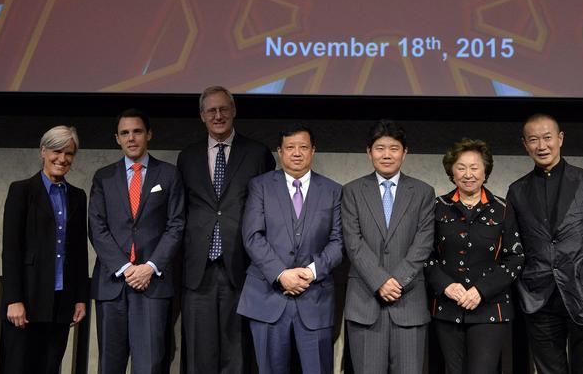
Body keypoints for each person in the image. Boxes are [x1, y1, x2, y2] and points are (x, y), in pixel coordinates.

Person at [506, 114, 583, 374]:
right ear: (525, 144)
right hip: (539, 296)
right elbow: (515, 246)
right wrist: (524, 285)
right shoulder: (517, 190)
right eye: (533, 140)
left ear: (560, 138)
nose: (541, 146)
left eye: (547, 138)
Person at [177, 86, 276, 373]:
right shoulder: (188, 156)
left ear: (233, 111)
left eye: (223, 109)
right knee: (199, 355)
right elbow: (180, 211)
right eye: (211, 110)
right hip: (199, 271)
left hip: (243, 269)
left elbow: (268, 212)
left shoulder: (257, 153)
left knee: (239, 355)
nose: (218, 115)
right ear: (202, 116)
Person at [237, 124, 344, 374]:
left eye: (303, 147)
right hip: (267, 298)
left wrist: (311, 272)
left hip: (315, 298)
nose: (297, 153)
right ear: (280, 151)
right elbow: (252, 236)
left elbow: (338, 241)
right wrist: (281, 274)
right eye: (290, 147)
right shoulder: (260, 186)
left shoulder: (333, 191)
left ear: (313, 151)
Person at [88, 108, 185, 373]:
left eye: (137, 131)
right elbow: (97, 228)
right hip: (113, 283)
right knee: (110, 364)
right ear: (117, 138)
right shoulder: (103, 177)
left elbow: (176, 225)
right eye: (125, 133)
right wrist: (126, 268)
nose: (131, 138)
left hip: (152, 283)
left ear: (149, 135)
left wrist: (149, 267)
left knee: (150, 364)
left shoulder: (169, 175)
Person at [342, 119, 436, 374]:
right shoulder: (351, 191)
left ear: (405, 153)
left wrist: (397, 281)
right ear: (369, 152)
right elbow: (353, 241)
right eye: (380, 148)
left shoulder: (423, 192)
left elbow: (424, 241)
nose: (386, 154)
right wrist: (380, 280)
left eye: (394, 148)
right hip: (364, 303)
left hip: (409, 303)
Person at [426, 138, 524, 374]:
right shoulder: (437, 207)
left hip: (490, 309)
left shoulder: (503, 208)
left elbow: (515, 258)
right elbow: (425, 255)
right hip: (447, 309)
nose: (468, 174)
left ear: (485, 170)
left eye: (474, 167)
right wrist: (446, 286)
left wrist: (481, 290)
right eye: (461, 167)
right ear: (451, 171)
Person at [0, 125, 89, 374]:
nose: (62, 159)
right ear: (43, 151)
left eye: (69, 153)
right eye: (57, 151)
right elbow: (11, 249)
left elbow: (80, 252)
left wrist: (80, 297)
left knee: (50, 368)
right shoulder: (21, 191)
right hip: (27, 300)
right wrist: (13, 299)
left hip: (62, 301)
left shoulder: (78, 196)